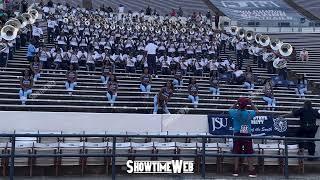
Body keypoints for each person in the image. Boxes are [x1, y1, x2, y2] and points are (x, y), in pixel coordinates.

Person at [229, 97, 258, 178]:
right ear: (246, 105)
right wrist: (251, 103)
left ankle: (235, 171)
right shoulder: (249, 113)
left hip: (237, 134)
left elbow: (229, 109)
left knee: (236, 153)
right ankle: (251, 171)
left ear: (238, 105)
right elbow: (257, 111)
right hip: (246, 134)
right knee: (249, 153)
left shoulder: (234, 113)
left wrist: (236, 102)